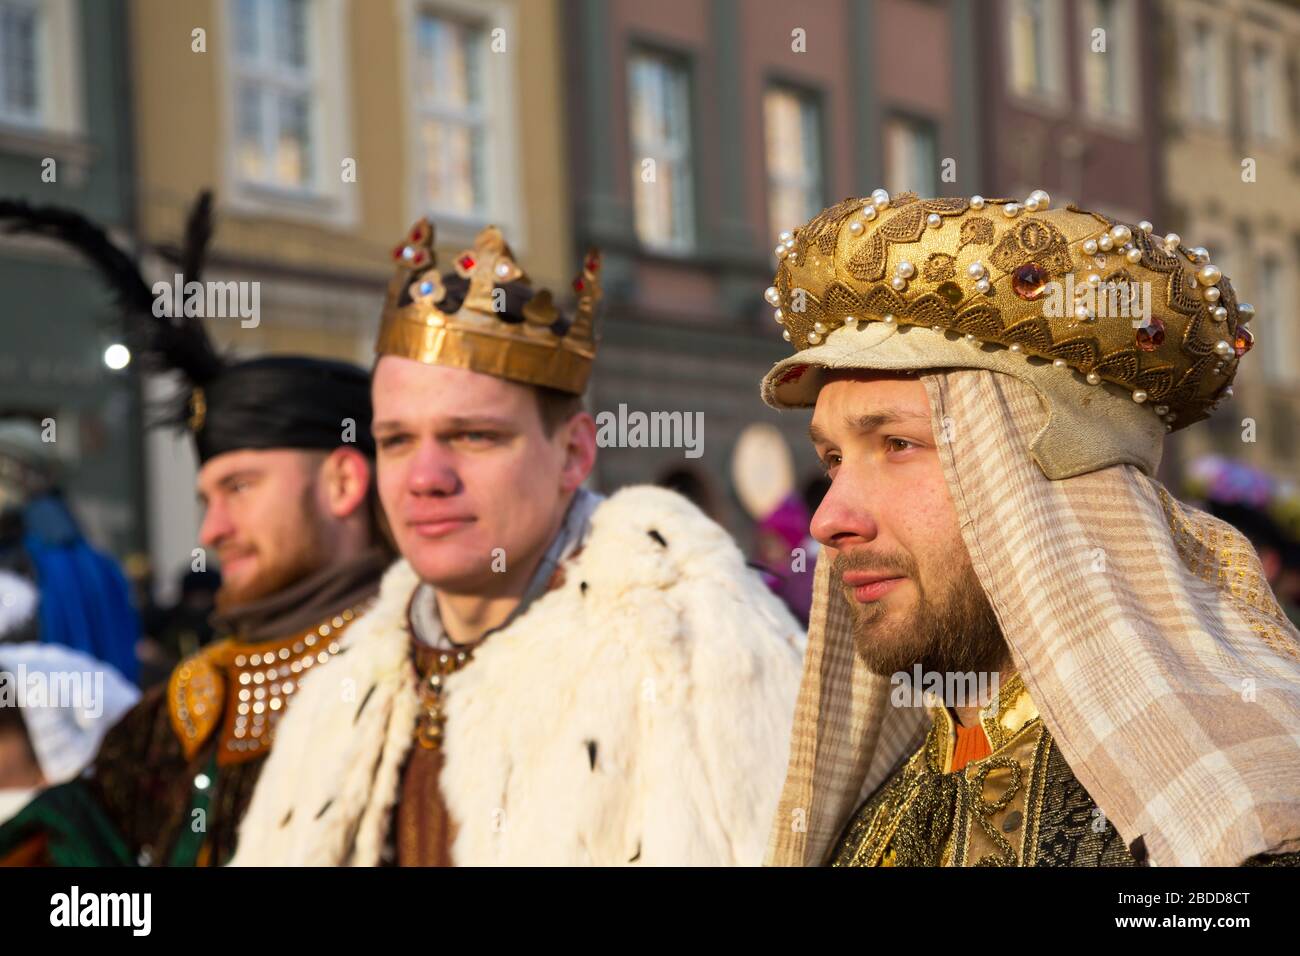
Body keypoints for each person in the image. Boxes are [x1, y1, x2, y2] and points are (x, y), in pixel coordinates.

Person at [232, 220, 805, 866]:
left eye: (473, 436)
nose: (426, 479)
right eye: (396, 441)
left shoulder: (703, 652)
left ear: (574, 453)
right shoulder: (338, 693)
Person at [757, 189, 1300, 867]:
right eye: (833, 459)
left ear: (1050, 489)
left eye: (897, 445)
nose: (828, 520)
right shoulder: (878, 817)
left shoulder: (1244, 831)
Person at [0, 196, 392, 865]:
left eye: (239, 487)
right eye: (207, 497)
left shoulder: (428, 672)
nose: (213, 528)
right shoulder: (189, 702)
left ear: (344, 484)